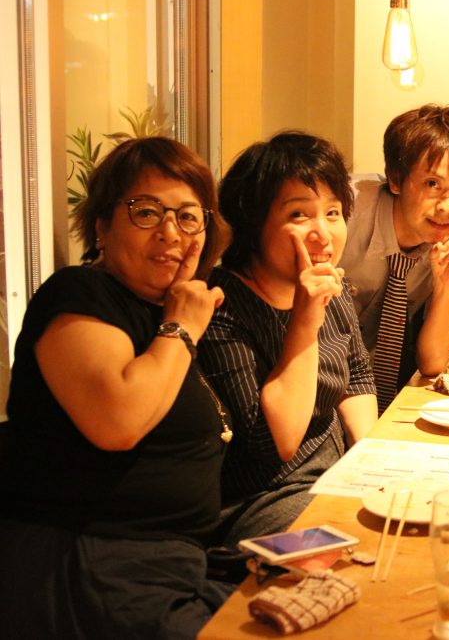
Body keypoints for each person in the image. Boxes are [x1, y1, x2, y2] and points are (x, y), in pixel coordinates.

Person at [0, 137, 232, 638]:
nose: (170, 232)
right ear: (102, 226)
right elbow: (117, 421)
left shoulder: (162, 310)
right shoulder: (79, 292)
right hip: (91, 565)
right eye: (146, 212)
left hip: (168, 565)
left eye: (188, 217)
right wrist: (183, 327)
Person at [199, 131, 377, 544]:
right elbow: (274, 442)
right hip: (261, 500)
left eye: (332, 213)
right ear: (252, 225)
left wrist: (369, 463)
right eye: (299, 215)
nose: (323, 233)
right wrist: (305, 319)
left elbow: (356, 377)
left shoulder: (330, 287)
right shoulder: (221, 305)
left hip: (334, 476)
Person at [342, 104, 449, 411]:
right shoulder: (343, 212)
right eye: (432, 184)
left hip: (375, 399)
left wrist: (446, 286)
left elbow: (433, 363)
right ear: (396, 179)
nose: (447, 209)